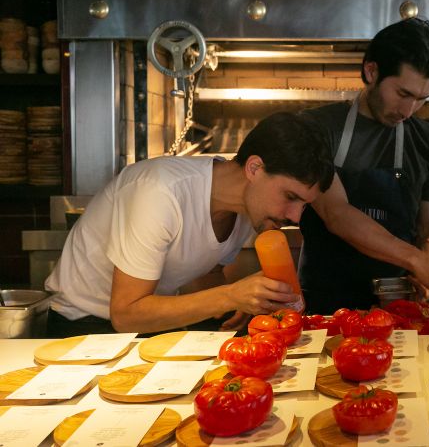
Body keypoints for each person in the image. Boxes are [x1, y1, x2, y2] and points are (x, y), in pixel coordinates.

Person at [45, 112, 334, 337]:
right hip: (83, 327)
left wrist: (241, 303)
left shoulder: (251, 211)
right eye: (290, 197)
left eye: (303, 205)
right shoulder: (159, 192)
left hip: (147, 326)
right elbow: (126, 314)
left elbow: (205, 269)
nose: (295, 216)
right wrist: (230, 295)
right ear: (254, 168)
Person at [298, 17, 429, 314]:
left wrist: (426, 272)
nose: (409, 111)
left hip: (396, 302)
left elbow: (428, 234)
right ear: (371, 71)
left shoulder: (428, 142)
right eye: (403, 94)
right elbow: (337, 214)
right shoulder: (317, 129)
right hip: (323, 302)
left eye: (422, 99)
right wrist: (418, 262)